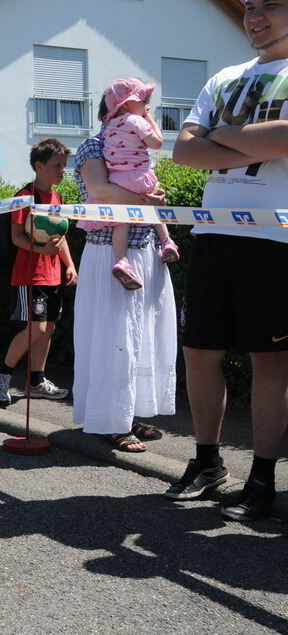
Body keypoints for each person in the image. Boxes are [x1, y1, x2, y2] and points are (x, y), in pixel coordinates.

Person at [167, 0, 288, 520]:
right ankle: (207, 463)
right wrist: (255, 143)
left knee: (271, 362)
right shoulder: (224, 77)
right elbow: (182, 151)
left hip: (276, 238)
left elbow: (286, 138)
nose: (255, 16)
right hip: (214, 232)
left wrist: (217, 136)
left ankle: (262, 479)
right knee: (199, 351)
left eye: (272, 5)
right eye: (249, 7)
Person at [72, 94, 176, 453]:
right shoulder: (92, 146)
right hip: (108, 253)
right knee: (113, 335)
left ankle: (129, 413)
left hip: (144, 248)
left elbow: (142, 189)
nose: (146, 111)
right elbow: (100, 190)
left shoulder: (138, 149)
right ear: (115, 111)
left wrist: (154, 198)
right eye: (141, 106)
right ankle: (109, 419)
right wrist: (148, 199)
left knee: (141, 336)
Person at [0, 139, 77, 405]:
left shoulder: (58, 197)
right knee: (36, 328)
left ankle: (36, 381)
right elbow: (16, 237)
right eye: (57, 165)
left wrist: (70, 265)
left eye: (64, 165)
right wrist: (41, 252)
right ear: (38, 166)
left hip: (52, 275)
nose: (62, 170)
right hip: (30, 275)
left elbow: (60, 237)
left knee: (48, 328)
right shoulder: (24, 197)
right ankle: (2, 374)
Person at [89, 77, 179, 290]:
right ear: (128, 104)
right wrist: (149, 118)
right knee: (153, 209)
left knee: (122, 223)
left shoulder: (110, 126)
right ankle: (166, 242)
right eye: (143, 100)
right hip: (140, 176)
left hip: (118, 180)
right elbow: (157, 143)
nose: (146, 103)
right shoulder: (137, 120)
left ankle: (122, 260)